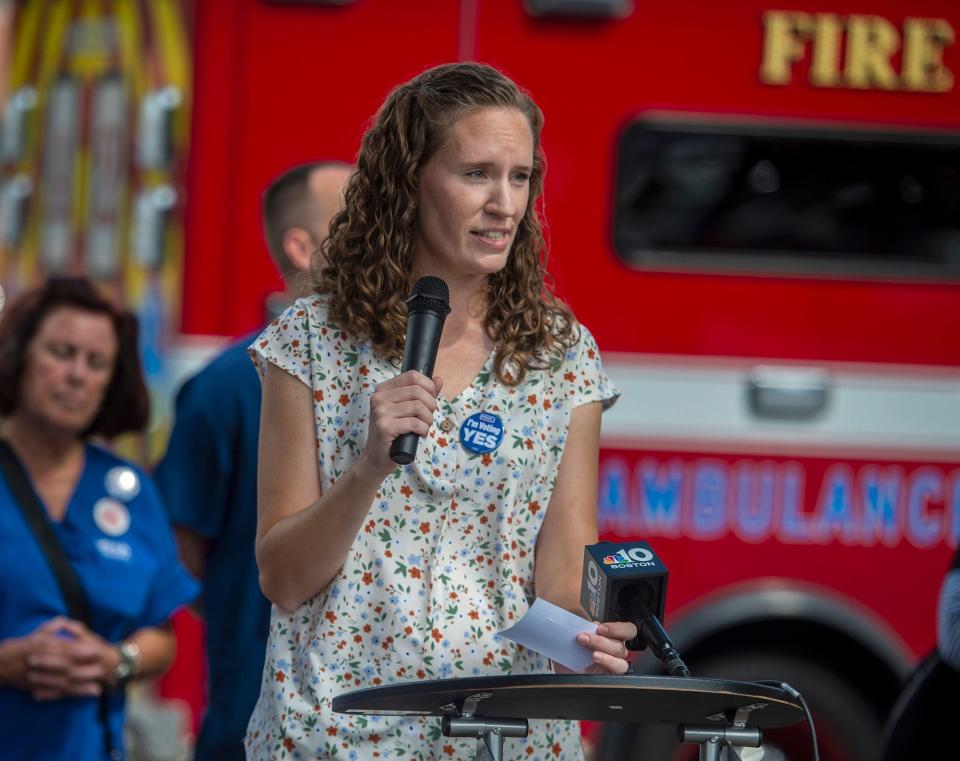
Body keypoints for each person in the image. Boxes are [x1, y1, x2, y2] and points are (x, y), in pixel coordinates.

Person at [244, 62, 633, 760]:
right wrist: (367, 467)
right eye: (477, 173)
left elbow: (559, 577)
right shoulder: (311, 340)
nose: (504, 204)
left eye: (520, 178)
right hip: (342, 733)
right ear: (410, 181)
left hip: (504, 735)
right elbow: (284, 577)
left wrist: (591, 627)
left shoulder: (562, 353)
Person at [154, 161, 352, 761]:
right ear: (302, 245)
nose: (383, 228)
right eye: (355, 216)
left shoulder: (396, 376)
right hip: (253, 720)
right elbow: (181, 565)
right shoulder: (224, 388)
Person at [0, 276, 198, 760]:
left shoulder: (129, 490)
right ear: (19, 356)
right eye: (61, 352)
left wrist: (116, 660)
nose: (76, 375)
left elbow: (161, 635)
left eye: (96, 363)